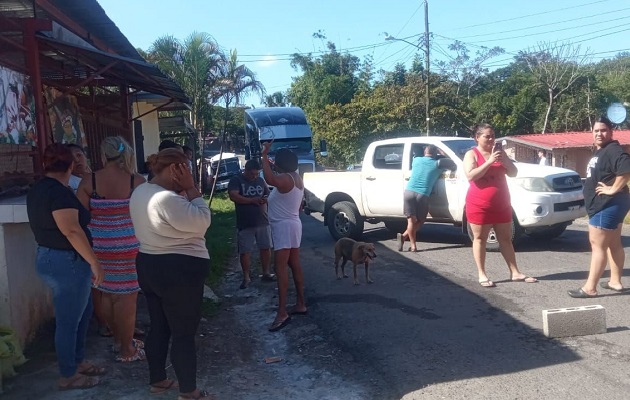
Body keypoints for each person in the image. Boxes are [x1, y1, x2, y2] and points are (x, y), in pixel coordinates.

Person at [129, 148, 213, 399]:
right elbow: (202, 221)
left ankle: (158, 380)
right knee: (183, 333)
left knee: (160, 326)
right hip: (178, 271)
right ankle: (189, 392)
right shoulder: (167, 199)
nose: (188, 173)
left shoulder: (141, 191)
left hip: (149, 263)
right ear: (175, 169)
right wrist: (192, 189)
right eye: (185, 168)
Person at [26, 143, 105, 390]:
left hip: (56, 258)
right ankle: (68, 374)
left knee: (82, 313)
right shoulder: (58, 193)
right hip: (66, 262)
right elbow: (71, 230)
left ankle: (76, 361)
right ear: (70, 165)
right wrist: (94, 261)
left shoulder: (42, 188)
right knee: (69, 320)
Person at [77, 136, 146, 362]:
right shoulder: (137, 182)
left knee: (106, 293)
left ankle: (119, 340)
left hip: (99, 248)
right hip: (130, 247)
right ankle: (127, 350)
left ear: (103, 155)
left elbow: (79, 216)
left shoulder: (89, 181)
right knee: (128, 298)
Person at [463, 123, 537, 288]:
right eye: (486, 136)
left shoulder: (499, 154)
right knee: (480, 239)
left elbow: (513, 173)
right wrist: (489, 161)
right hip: (479, 205)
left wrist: (504, 159)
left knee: (505, 239)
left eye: (493, 136)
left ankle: (515, 272)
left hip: (502, 204)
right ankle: (482, 274)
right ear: (477, 137)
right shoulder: (471, 154)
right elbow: (470, 176)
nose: (491, 139)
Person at [568, 117, 630, 298]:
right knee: (613, 243)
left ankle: (590, 288)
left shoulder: (613, 149)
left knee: (598, 246)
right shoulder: (602, 151)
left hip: (606, 205)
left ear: (611, 132)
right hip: (612, 204)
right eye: (596, 131)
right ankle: (615, 281)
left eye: (603, 130)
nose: (599, 134)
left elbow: (626, 167)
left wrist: (612, 189)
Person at [261, 144, 307, 332]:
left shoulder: (285, 179)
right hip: (293, 224)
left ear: (279, 164)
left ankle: (282, 313)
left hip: (283, 227)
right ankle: (300, 303)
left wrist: (264, 156)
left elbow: (269, 178)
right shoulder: (296, 178)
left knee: (279, 269)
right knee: (294, 265)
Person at [228, 159, 275, 289]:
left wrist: (264, 199)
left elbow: (268, 194)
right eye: (252, 174)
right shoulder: (236, 180)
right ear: (246, 170)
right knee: (245, 251)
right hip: (245, 222)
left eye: (256, 174)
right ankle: (246, 277)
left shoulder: (260, 181)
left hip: (263, 221)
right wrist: (251, 201)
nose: (254, 177)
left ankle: (266, 272)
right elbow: (233, 196)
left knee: (265, 248)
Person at [397, 145, 447, 252]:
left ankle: (409, 242)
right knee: (421, 220)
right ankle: (405, 238)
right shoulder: (438, 164)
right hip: (423, 194)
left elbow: (418, 154)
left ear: (425, 152)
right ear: (435, 153)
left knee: (411, 221)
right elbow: (448, 160)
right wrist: (441, 152)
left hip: (408, 192)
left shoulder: (416, 160)